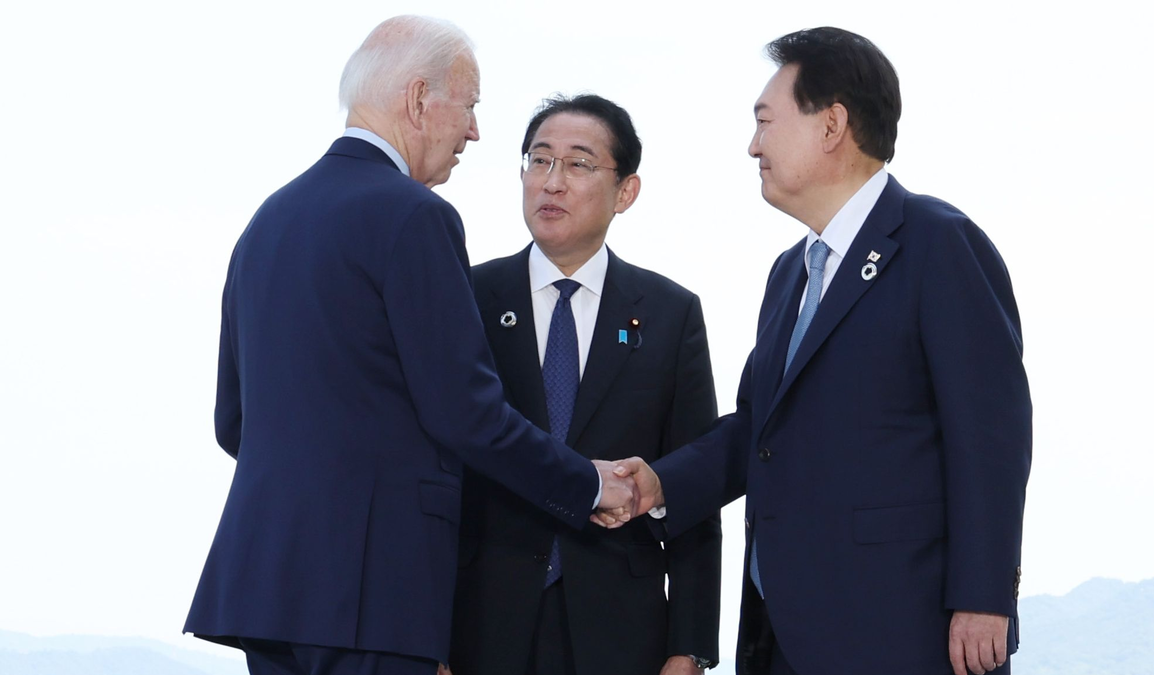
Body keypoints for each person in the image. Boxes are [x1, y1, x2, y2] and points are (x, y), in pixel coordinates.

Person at [182, 16, 636, 675]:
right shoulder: (414, 215)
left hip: (267, 591)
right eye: (471, 105)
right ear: (421, 98)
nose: (475, 131)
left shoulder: (268, 221)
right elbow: (466, 413)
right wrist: (586, 482)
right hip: (373, 594)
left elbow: (235, 423)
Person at [599, 27, 1033, 675]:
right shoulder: (789, 274)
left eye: (766, 121)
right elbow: (758, 429)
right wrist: (661, 483)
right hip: (781, 635)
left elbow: (990, 435)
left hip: (902, 630)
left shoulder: (938, 244)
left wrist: (984, 595)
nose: (752, 145)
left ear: (832, 124)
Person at [448, 95, 722, 675]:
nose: (551, 182)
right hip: (477, 624)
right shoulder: (467, 297)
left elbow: (695, 482)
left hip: (622, 632)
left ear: (626, 191)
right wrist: (425, 639)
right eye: (538, 160)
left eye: (577, 164)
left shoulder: (671, 315)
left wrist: (689, 647)